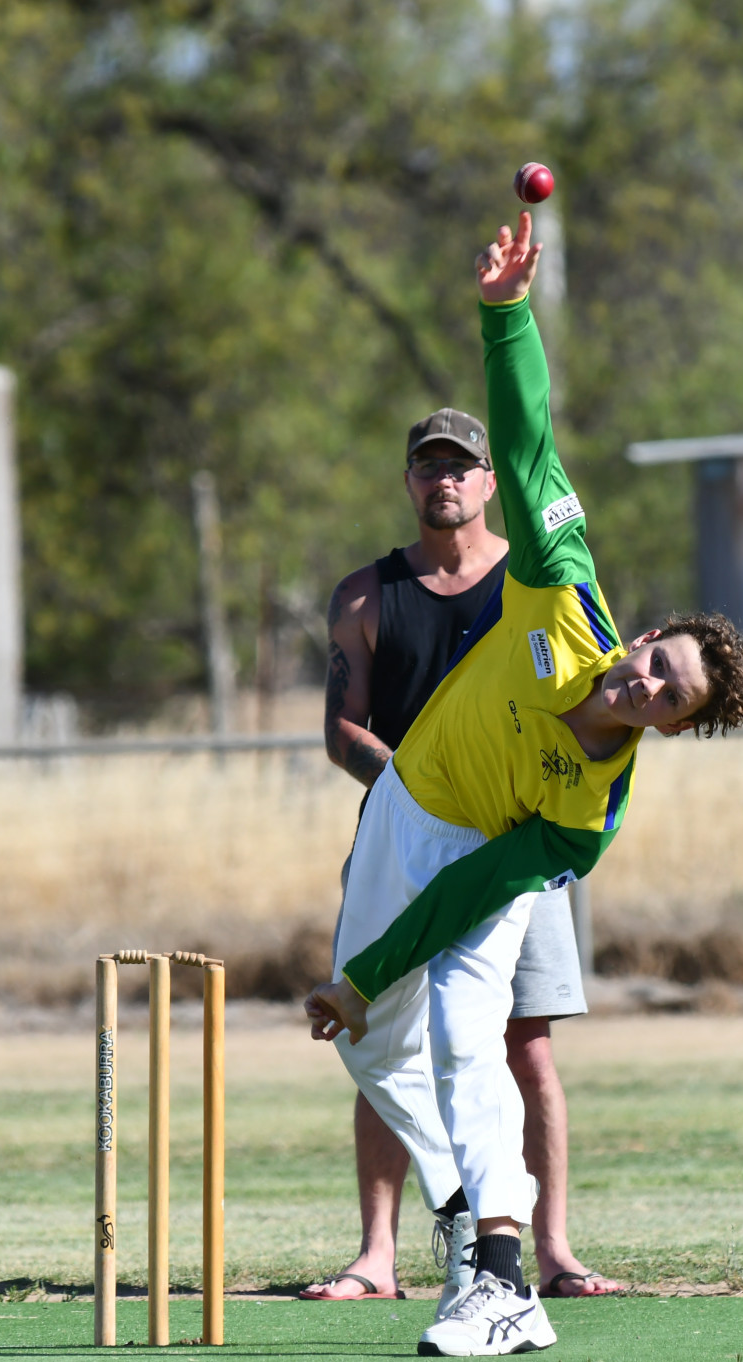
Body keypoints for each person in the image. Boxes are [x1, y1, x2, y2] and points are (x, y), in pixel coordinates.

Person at [304, 213, 743, 1356]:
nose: (644, 688)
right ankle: (467, 1213)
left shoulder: (583, 816)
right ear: (644, 635)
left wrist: (372, 968)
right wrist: (504, 314)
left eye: (668, 701)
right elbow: (527, 446)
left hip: (490, 856)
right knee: (368, 1049)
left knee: (470, 1033)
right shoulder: (561, 586)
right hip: (407, 810)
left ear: (671, 726)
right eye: (656, 665)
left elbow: (476, 894)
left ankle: (499, 1277)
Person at [306, 405, 619, 1305]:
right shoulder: (366, 596)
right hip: (402, 838)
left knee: (527, 1043)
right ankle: (378, 1253)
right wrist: (412, 788)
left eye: (461, 465)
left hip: (519, 842)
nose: (444, 478)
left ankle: (549, 1247)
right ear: (408, 481)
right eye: (427, 465)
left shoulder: (530, 580)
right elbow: (341, 729)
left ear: (488, 481)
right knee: (379, 1025)